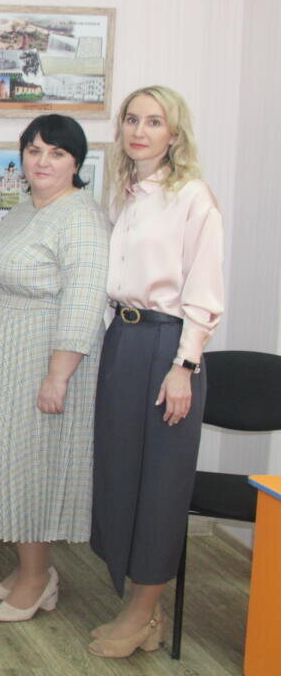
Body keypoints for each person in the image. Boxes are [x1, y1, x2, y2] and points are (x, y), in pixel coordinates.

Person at [87, 86, 223, 658]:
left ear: (175, 134)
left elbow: (204, 291)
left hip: (168, 347)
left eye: (154, 122)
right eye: (131, 120)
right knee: (120, 474)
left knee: (161, 484)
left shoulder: (191, 196)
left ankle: (144, 611)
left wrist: (183, 366)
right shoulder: (123, 194)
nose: (139, 131)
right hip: (123, 339)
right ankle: (141, 605)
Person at [0, 115, 109, 621]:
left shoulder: (81, 217)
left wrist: (58, 375)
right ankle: (28, 567)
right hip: (9, 353)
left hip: (48, 355)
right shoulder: (27, 208)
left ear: (76, 162)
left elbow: (85, 300)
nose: (42, 161)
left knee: (34, 465)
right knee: (12, 460)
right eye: (34, 150)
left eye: (56, 153)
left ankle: (37, 579)